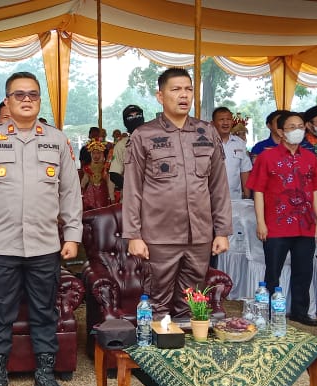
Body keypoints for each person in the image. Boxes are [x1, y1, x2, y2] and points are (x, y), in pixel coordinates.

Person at [0, 71, 82, 386]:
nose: (26, 99)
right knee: (0, 312)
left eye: (32, 94)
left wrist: (72, 235)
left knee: (45, 311)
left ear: (39, 100)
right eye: (19, 95)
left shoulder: (58, 141)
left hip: (46, 245)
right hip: (0, 245)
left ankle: (45, 376)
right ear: (7, 101)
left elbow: (70, 193)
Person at [122, 67, 231, 319]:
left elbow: (218, 186)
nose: (184, 95)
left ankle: (187, 356)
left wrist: (222, 231)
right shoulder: (144, 135)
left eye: (188, 89)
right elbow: (132, 190)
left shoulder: (207, 131)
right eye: (176, 89)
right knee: (157, 302)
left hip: (200, 235)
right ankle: (157, 356)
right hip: (159, 235)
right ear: (160, 96)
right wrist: (133, 235)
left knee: (193, 302)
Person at [246, 112, 317, 327]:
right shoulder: (266, 157)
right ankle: (270, 311)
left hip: (305, 224)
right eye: (292, 126)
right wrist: (261, 222)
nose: (298, 130)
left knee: (304, 270)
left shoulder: (310, 157)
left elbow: (315, 189)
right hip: (276, 225)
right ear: (280, 131)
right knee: (273, 272)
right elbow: (258, 191)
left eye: (301, 126)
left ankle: (300, 311)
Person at [212, 106, 252, 199]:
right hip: (211, 199)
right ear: (213, 123)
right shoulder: (207, 143)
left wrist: (247, 196)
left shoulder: (240, 143)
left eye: (228, 119)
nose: (225, 123)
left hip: (234, 198)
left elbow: (244, 170)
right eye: (221, 119)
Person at [108, 105, 145, 191]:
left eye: (138, 115)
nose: (135, 118)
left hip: (157, 195)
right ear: (125, 122)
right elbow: (114, 174)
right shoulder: (121, 145)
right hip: (133, 197)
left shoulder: (154, 141)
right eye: (130, 117)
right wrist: (132, 189)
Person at [80, 139, 115, 210]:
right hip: (90, 193)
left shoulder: (105, 167)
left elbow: (109, 181)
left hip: (103, 191)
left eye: (98, 153)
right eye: (94, 153)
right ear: (91, 154)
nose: (96, 156)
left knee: (103, 209)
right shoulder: (87, 167)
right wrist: (81, 188)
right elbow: (85, 179)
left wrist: (111, 196)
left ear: (102, 154)